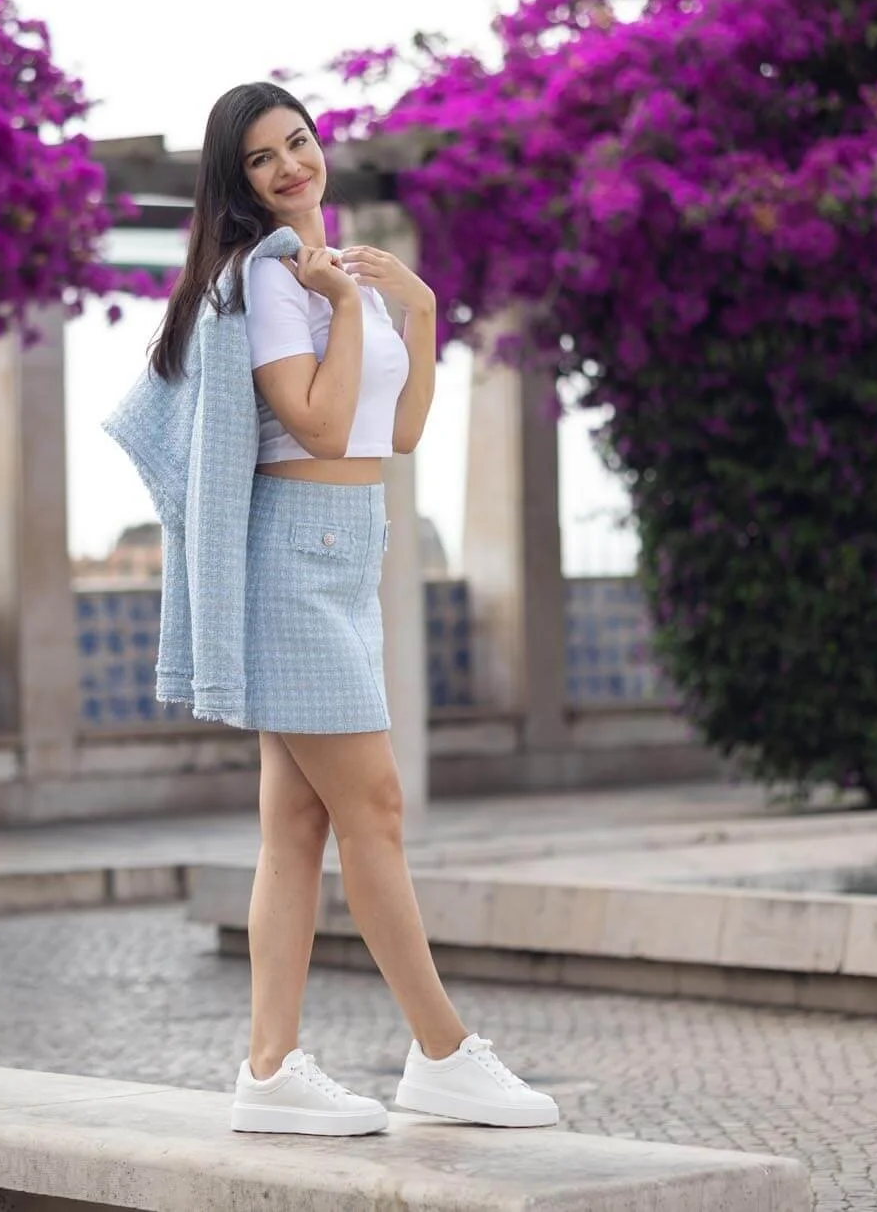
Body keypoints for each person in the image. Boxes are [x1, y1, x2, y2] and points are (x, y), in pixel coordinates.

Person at [106, 82, 561, 1137]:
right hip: (292, 561)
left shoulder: (329, 273)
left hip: (348, 554)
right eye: (261, 159)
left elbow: (394, 432)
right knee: (378, 809)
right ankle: (441, 1051)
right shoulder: (269, 281)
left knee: (297, 825)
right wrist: (349, 308)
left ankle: (269, 1070)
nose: (289, 168)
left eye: (298, 144)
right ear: (238, 183)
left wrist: (419, 308)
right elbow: (313, 427)